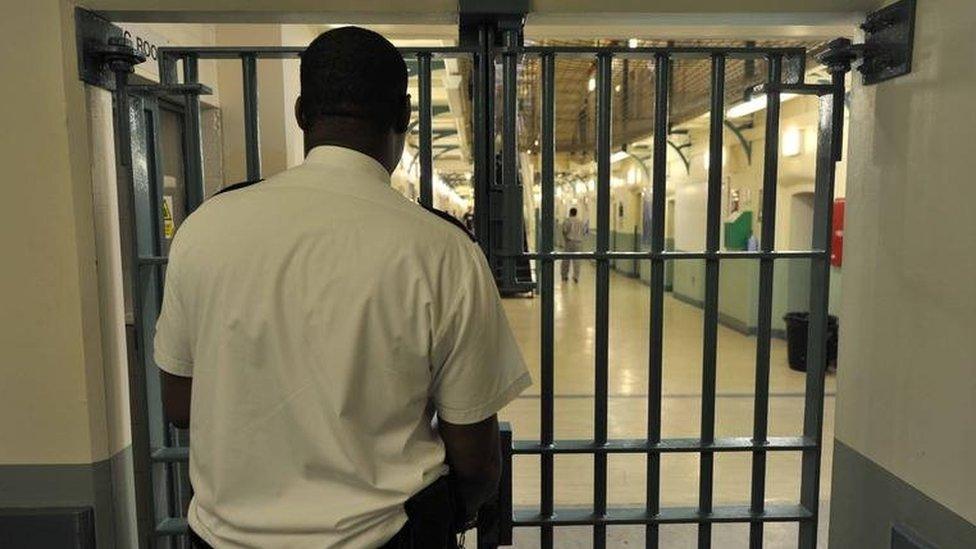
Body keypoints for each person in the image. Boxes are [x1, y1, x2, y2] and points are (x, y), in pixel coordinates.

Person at [154, 27, 531, 549]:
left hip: (223, 537)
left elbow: (180, 406)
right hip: (386, 536)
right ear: (403, 119)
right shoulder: (440, 249)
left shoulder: (206, 227)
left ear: (302, 113)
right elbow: (477, 460)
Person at [561, 207, 587, 283]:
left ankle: (564, 276)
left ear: (570, 213)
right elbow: (584, 232)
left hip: (569, 242)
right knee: (577, 260)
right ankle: (576, 276)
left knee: (566, 259)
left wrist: (565, 238)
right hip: (578, 242)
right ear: (576, 213)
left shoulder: (567, 220)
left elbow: (564, 231)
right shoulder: (580, 221)